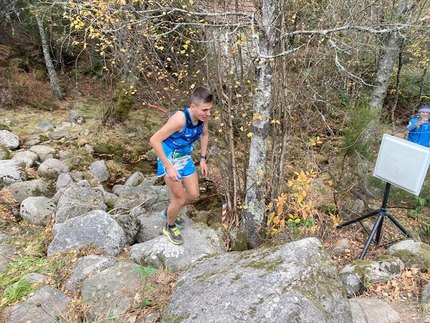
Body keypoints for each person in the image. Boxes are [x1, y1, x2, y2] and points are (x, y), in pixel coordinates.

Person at [149, 86, 213, 245]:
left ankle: (170, 211)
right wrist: (168, 167)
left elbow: (204, 135)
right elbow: (154, 140)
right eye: (205, 110)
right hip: (169, 160)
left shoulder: (203, 119)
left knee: (193, 195)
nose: (208, 113)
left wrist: (203, 158)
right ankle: (169, 226)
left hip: (185, 158)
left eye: (210, 110)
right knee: (178, 199)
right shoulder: (180, 120)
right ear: (193, 107)